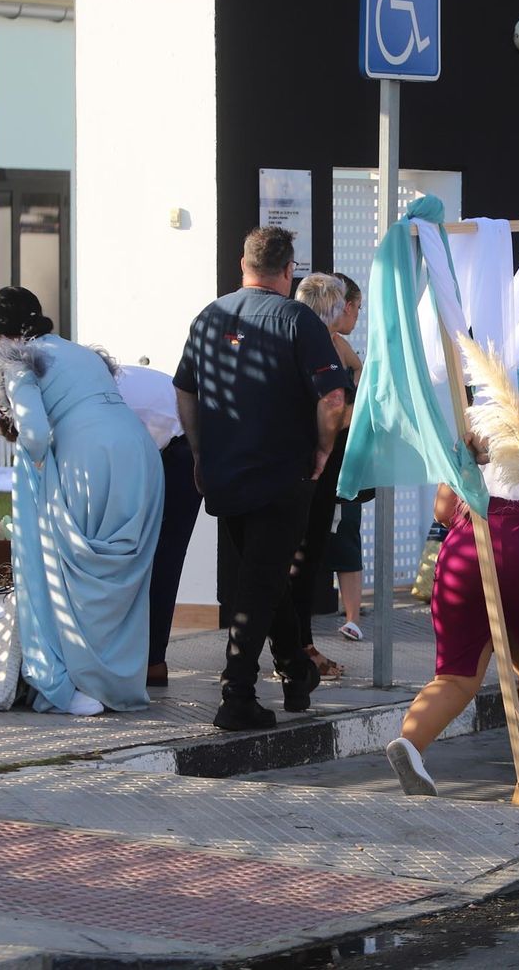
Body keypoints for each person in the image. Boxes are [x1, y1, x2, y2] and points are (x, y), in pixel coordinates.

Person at [174, 227, 350, 731]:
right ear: (289, 269)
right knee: (260, 581)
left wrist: (201, 450)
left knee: (261, 576)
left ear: (242, 263)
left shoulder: (209, 317)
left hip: (226, 472)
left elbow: (184, 390)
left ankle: (296, 671)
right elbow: (333, 397)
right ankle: (237, 694)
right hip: (282, 473)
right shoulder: (297, 319)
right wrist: (323, 448)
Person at [0, 286, 164, 716]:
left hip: (87, 458)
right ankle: (118, 682)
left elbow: (35, 433)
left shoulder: (19, 360)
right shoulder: (80, 352)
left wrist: (41, 472)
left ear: (2, 333)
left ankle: (75, 686)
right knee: (121, 579)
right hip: (139, 455)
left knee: (72, 576)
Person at [384, 467, 519, 803]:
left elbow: (442, 510)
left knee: (454, 677)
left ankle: (411, 744)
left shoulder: (471, 426)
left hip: (467, 546)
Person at [115, 364, 201, 688]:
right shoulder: (92, 382)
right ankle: (146, 657)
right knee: (151, 552)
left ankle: (153, 660)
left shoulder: (88, 396)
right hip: (170, 439)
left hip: (184, 443)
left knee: (165, 552)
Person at [289, 273, 352, 680]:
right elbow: (337, 406)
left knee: (303, 558)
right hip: (316, 465)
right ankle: (299, 648)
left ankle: (297, 645)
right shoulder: (321, 345)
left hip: (305, 464)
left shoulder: (319, 342)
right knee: (304, 558)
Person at [328, 274, 367, 642]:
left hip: (341, 452)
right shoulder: (322, 340)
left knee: (347, 532)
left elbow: (358, 367)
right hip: (325, 451)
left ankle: (353, 615)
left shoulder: (338, 344)